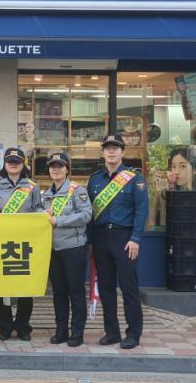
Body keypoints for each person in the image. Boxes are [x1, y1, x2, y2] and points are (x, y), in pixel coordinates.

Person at [88, 134, 149, 350]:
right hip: (101, 238)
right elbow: (90, 213)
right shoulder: (95, 179)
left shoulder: (135, 178)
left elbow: (142, 211)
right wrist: (89, 241)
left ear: (123, 152)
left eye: (116, 148)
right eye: (107, 148)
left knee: (129, 287)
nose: (111, 151)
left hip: (125, 239)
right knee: (106, 287)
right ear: (102, 152)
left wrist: (136, 239)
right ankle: (112, 332)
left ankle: (133, 333)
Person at [0, 147, 43, 341]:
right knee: (1, 287)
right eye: (10, 161)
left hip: (26, 242)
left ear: (23, 164)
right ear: (4, 164)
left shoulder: (32, 186)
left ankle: (23, 327)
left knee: (25, 287)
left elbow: (38, 209)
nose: (13, 164)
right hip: (1, 242)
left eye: (17, 161)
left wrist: (44, 214)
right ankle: (3, 327)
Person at [42, 152, 92, 348]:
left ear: (67, 170)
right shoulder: (46, 194)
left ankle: (77, 333)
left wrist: (59, 220)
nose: (56, 170)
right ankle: (61, 331)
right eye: (53, 167)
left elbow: (86, 215)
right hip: (53, 250)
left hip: (74, 248)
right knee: (59, 292)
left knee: (76, 291)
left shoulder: (77, 191)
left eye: (60, 166)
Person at [148, 147, 194, 229]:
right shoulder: (172, 192)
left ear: (194, 170)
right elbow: (150, 226)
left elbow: (166, 228)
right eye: (173, 167)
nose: (176, 172)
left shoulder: (190, 198)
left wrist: (163, 200)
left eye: (182, 166)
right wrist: (158, 192)